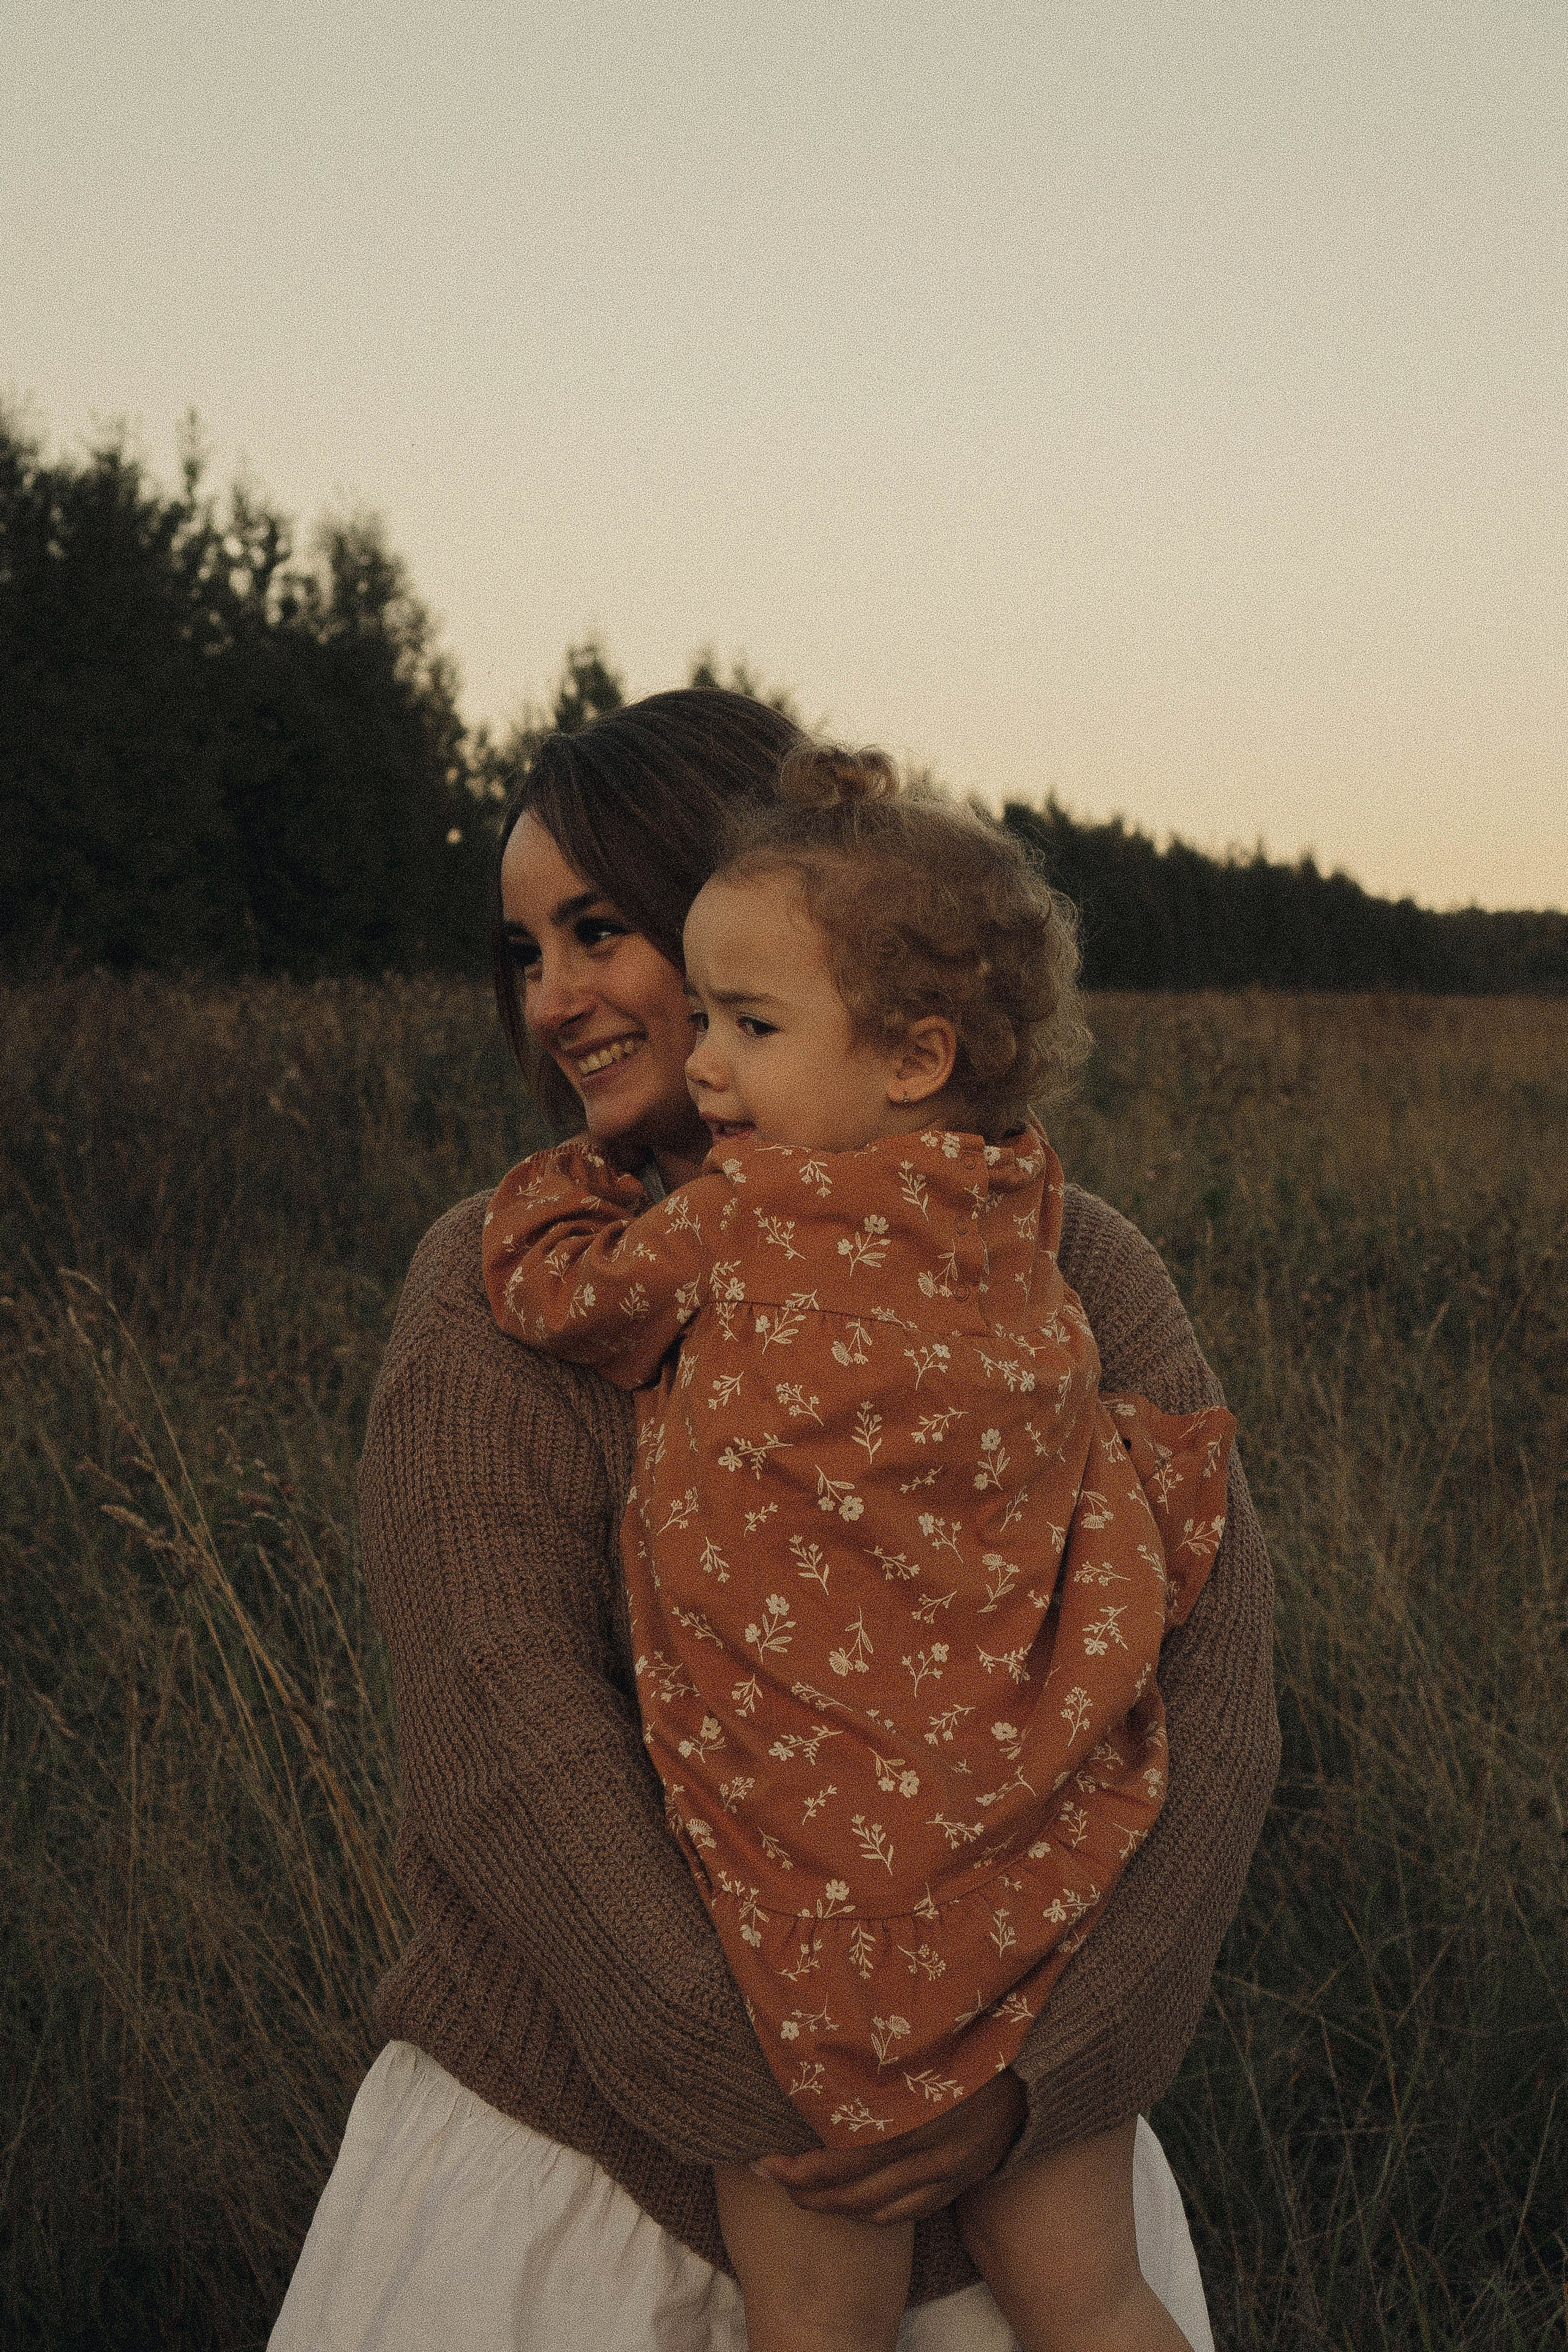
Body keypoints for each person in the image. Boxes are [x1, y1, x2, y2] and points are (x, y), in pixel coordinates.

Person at [268, 689, 1279, 2352]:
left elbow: (1218, 1703)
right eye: (521, 954)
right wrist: (799, 2092)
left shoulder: (1073, 1259)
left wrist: (1039, 2081)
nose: (557, 999)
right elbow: (503, 1728)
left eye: (599, 929)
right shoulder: (503, 1287)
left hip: (1021, 2166)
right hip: (589, 2178)